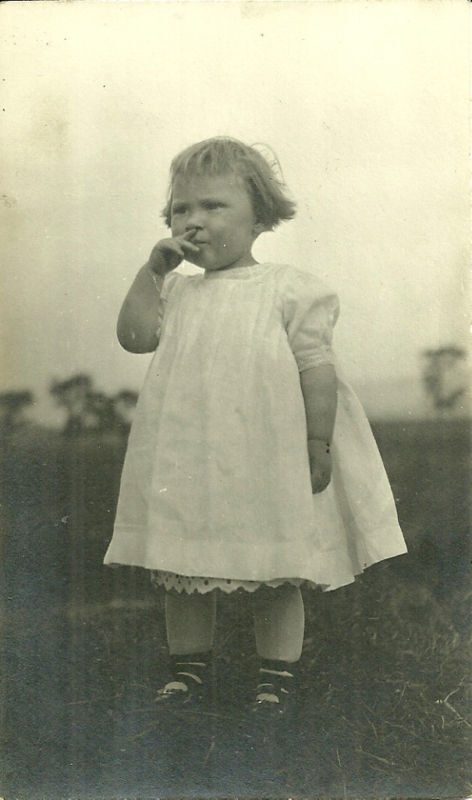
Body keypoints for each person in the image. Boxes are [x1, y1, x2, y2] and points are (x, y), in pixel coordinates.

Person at [104, 136, 407, 719]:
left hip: (264, 452)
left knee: (275, 564)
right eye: (181, 209)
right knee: (183, 561)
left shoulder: (289, 289)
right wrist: (151, 272)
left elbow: (318, 370)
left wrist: (316, 441)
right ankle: (187, 670)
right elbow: (135, 338)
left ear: (259, 216)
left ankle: (276, 677)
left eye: (213, 206)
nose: (193, 221)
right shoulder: (177, 290)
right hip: (188, 453)